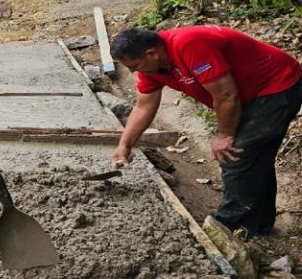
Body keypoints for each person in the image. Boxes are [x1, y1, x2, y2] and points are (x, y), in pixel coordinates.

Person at [110, 26, 302, 238]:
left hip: (276, 85)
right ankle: (259, 224)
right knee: (255, 157)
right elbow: (144, 107)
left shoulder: (190, 45)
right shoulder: (152, 68)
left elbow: (227, 95)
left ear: (152, 53)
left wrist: (225, 136)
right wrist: (124, 145)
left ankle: (227, 226)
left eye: (135, 66)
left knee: (235, 153)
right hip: (247, 95)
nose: (133, 72)